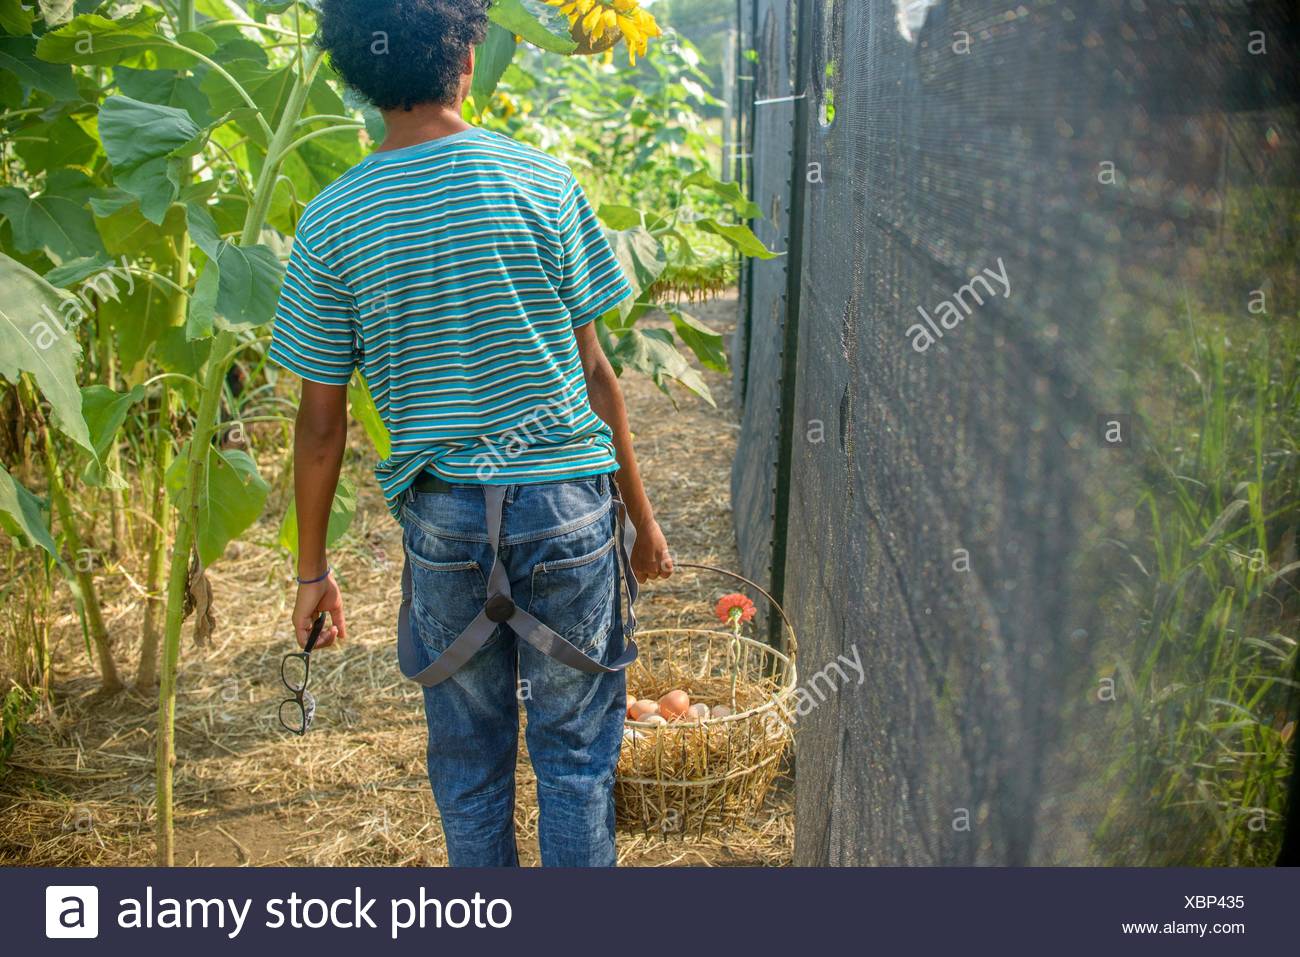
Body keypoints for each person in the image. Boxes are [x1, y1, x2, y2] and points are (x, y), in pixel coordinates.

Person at [268, 0, 674, 867]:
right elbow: (599, 377)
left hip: (447, 524)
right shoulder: (541, 183)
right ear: (466, 53)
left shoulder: (333, 220)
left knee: (468, 768)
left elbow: (319, 425)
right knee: (574, 763)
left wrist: (312, 570)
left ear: (360, 75)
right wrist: (639, 516)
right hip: (569, 508)